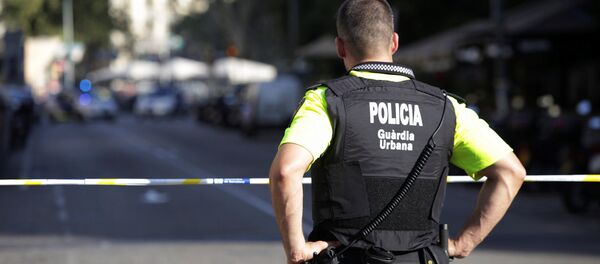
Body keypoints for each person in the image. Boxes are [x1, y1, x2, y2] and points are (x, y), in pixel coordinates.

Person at [269, 0, 526, 263]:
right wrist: (463, 244)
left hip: (347, 257)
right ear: (394, 42)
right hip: (421, 257)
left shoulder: (327, 101)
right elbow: (511, 172)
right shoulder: (447, 107)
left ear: (340, 47)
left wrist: (297, 249)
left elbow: (286, 171)